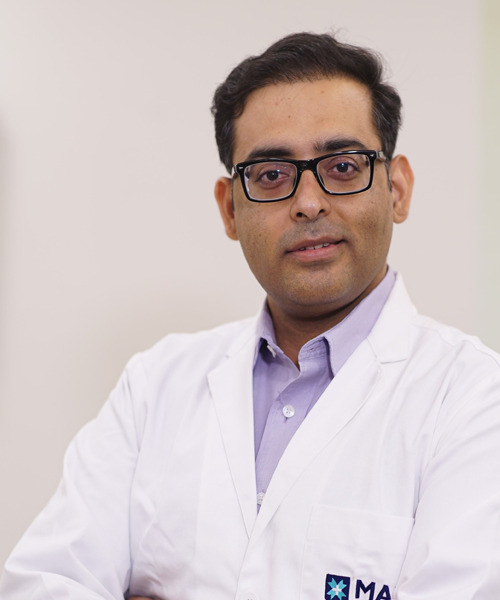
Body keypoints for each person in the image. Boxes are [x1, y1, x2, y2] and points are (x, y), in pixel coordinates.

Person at [1, 31, 500, 600]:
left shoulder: (475, 401)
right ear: (229, 209)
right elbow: (42, 585)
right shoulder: (155, 386)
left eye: (343, 166)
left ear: (398, 189)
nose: (308, 202)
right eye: (270, 175)